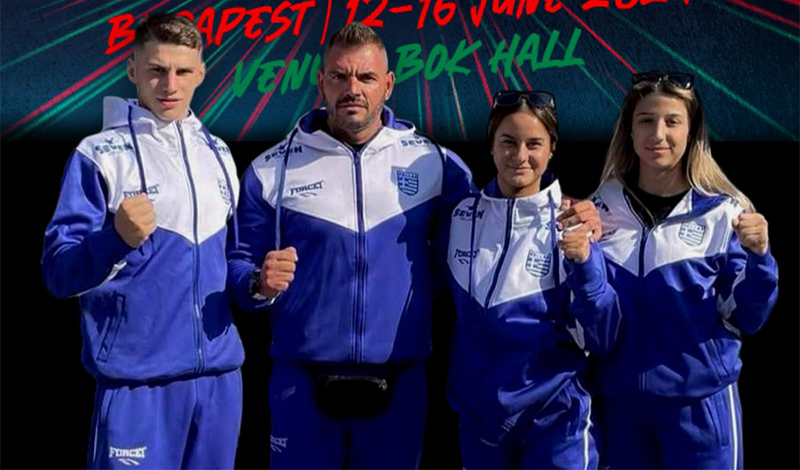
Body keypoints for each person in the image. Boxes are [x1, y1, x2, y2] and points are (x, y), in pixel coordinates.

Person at [225, 21, 475, 468]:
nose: (352, 89)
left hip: (400, 380)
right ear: (321, 81)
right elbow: (238, 266)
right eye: (339, 76)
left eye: (366, 77)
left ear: (388, 85)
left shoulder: (436, 164)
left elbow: (488, 232)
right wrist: (259, 284)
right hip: (300, 383)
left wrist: (560, 207)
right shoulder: (270, 169)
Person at [41, 14, 244, 469]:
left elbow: (231, 262)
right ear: (133, 69)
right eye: (156, 70)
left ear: (201, 72)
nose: (169, 84)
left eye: (182, 71)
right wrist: (115, 239)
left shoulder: (219, 153)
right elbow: (57, 272)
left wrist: (257, 285)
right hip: (136, 383)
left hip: (219, 382)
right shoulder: (98, 154)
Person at [591, 71, 779, 469]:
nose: (658, 133)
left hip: (701, 408)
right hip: (620, 410)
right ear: (629, 130)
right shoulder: (599, 210)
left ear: (692, 131)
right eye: (646, 120)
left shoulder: (724, 214)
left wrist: (760, 258)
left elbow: (748, 317)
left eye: (672, 121)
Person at [446, 90, 620, 469]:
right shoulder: (460, 216)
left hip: (555, 420)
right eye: (508, 141)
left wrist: (587, 263)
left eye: (534, 144)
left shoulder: (574, 219)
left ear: (552, 148)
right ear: (491, 145)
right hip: (480, 422)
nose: (520, 155)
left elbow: (602, 336)